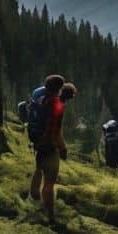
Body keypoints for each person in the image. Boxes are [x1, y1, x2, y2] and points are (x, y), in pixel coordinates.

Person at [29, 76, 75, 224]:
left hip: (36, 139)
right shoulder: (57, 105)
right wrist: (63, 148)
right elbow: (56, 131)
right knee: (50, 181)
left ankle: (34, 199)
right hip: (49, 145)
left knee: (39, 168)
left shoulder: (40, 95)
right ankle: (50, 215)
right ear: (60, 88)